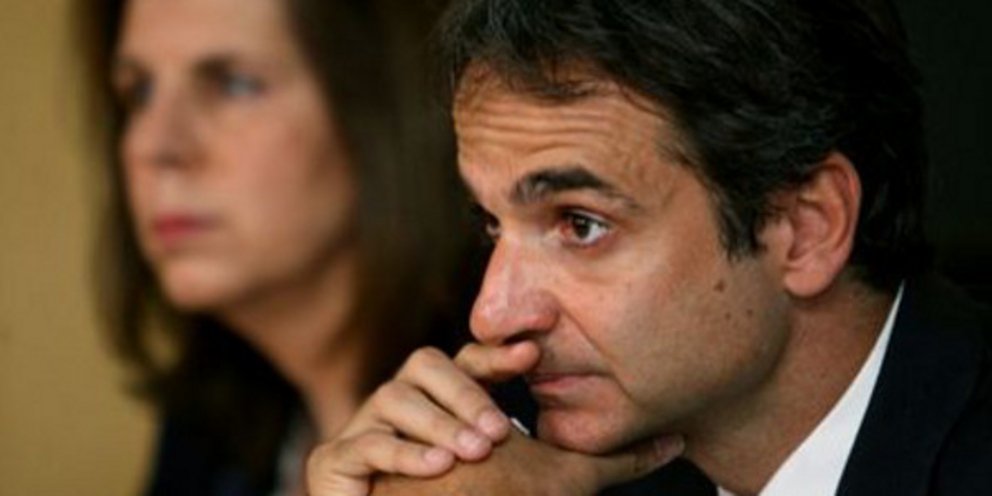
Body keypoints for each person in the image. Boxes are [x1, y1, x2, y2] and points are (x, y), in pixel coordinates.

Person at [307, 0, 992, 495]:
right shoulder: (516, 460)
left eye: (580, 224)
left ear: (806, 228)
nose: (491, 315)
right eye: (492, 224)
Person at [76, 0, 479, 494]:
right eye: (138, 93)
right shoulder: (206, 437)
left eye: (234, 85)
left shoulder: (525, 420)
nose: (154, 145)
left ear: (382, 109)